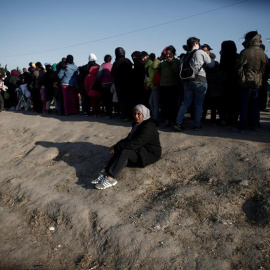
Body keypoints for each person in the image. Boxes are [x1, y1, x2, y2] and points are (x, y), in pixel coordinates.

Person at [92, 104, 161, 190]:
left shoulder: (148, 127)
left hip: (150, 154)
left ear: (144, 114)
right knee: (120, 150)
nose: (136, 116)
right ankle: (106, 173)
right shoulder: (138, 124)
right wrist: (116, 146)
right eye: (135, 114)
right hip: (141, 148)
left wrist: (118, 148)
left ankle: (111, 178)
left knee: (125, 152)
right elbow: (129, 139)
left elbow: (133, 144)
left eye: (139, 114)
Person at [174, 37, 215, 131]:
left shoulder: (184, 56)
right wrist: (213, 60)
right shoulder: (200, 52)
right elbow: (211, 64)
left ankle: (178, 122)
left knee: (185, 103)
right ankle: (197, 125)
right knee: (198, 104)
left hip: (187, 82)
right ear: (196, 43)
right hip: (200, 80)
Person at [235, 31, 266, 131]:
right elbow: (263, 68)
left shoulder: (245, 52)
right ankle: (255, 124)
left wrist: (242, 78)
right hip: (257, 80)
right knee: (254, 104)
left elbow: (239, 67)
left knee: (244, 104)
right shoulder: (262, 52)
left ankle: (242, 125)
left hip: (245, 80)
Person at [157, 45, 182, 128]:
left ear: (173, 53)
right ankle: (166, 120)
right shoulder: (163, 63)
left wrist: (171, 63)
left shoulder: (177, 62)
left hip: (173, 86)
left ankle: (173, 121)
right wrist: (160, 58)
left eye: (170, 53)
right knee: (164, 105)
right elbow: (154, 66)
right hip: (163, 87)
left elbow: (176, 71)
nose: (168, 55)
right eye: (167, 53)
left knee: (173, 105)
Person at [111, 47, 133, 121]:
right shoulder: (128, 61)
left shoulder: (115, 63)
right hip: (128, 84)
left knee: (122, 101)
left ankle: (124, 116)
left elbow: (112, 73)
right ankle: (130, 115)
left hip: (119, 85)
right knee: (129, 100)